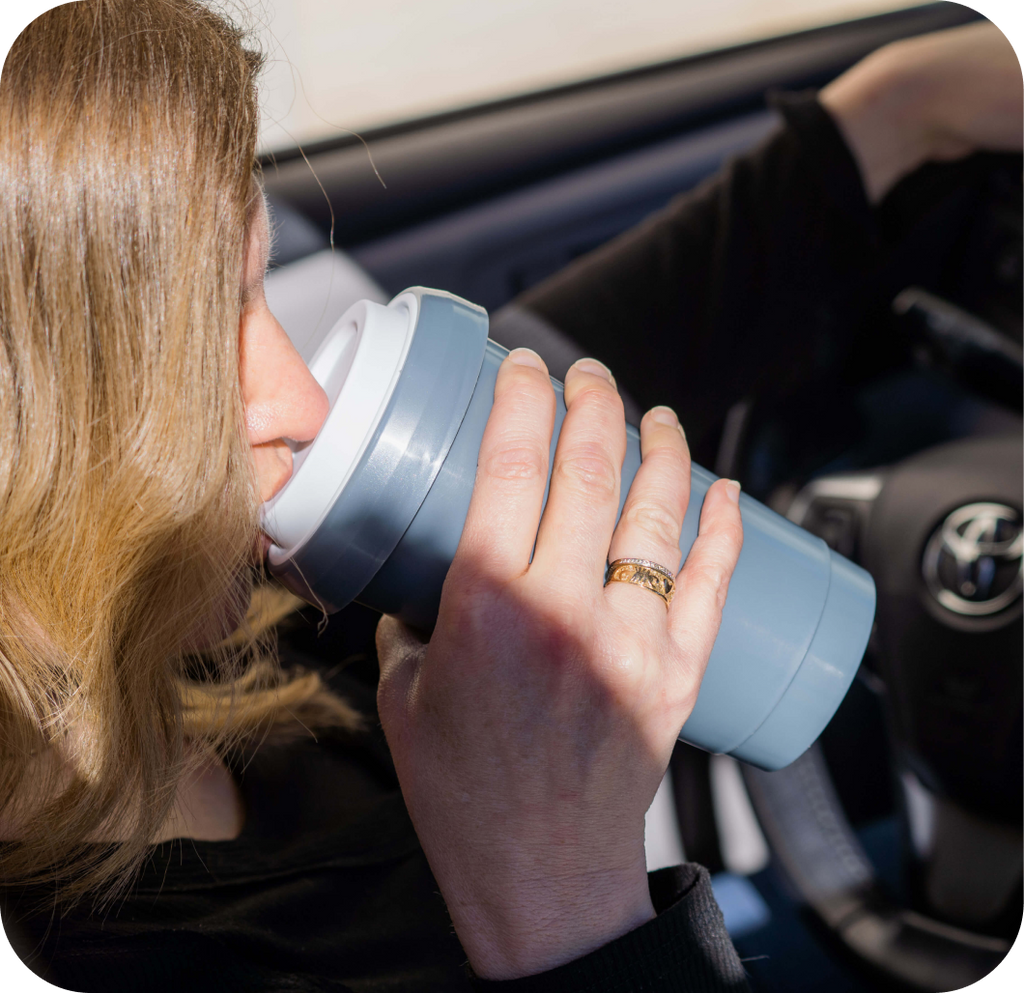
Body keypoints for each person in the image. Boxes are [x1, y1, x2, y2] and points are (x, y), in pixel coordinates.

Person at [0, 4, 1021, 993]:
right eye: (190, 334)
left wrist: (895, 115)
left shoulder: (207, 652)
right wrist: (564, 901)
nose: (300, 403)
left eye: (255, 294)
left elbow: (539, 410)